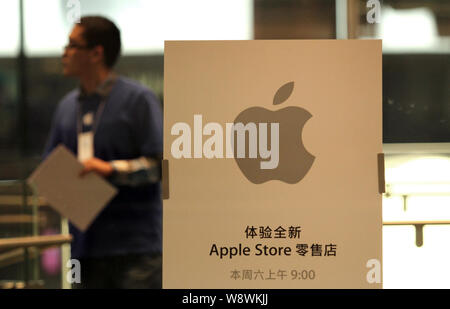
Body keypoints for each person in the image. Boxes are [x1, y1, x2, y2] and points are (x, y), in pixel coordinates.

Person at [44, 16, 163, 288]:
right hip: (84, 248)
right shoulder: (66, 107)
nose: (65, 52)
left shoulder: (137, 100)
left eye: (73, 45)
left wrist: (110, 170)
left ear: (96, 53)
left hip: (136, 248)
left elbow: (161, 166)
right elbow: (50, 163)